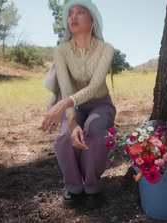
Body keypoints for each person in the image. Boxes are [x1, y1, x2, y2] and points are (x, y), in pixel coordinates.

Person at [41, 0, 115, 209]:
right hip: (72, 106)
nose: (73, 17)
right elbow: (65, 86)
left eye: (80, 12)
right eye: (70, 14)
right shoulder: (61, 51)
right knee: (66, 136)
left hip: (100, 103)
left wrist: (63, 104)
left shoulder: (106, 49)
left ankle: (92, 186)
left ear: (92, 21)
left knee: (95, 133)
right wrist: (72, 122)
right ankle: (73, 186)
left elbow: (94, 86)